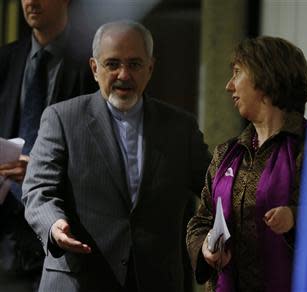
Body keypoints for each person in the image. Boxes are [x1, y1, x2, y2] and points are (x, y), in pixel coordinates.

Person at [21, 20, 210, 291]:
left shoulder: (181, 128)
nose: (124, 74)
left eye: (134, 64)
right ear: (94, 68)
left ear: (151, 68)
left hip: (155, 281)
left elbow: (214, 188)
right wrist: (54, 225)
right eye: (112, 64)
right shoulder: (62, 118)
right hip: (78, 279)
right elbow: (38, 188)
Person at [186, 36, 307, 292]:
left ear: (266, 78)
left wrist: (294, 218)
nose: (229, 86)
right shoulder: (226, 153)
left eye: (237, 73)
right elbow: (200, 221)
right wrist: (207, 247)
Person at [0, 0, 97, 290]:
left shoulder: (93, 63)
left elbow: (103, 155)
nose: (30, 1)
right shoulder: (5, 60)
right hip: (6, 236)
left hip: (65, 234)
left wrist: (38, 169)